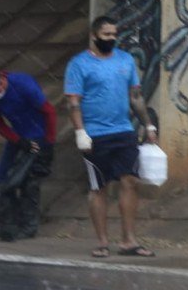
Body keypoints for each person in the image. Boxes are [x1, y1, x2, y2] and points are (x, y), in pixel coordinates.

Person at [64, 15, 159, 258]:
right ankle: (102, 242)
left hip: (124, 131)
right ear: (94, 35)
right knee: (99, 187)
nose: (112, 38)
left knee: (129, 182)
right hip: (95, 135)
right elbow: (73, 102)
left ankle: (129, 241)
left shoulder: (125, 61)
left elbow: (135, 96)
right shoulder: (79, 64)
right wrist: (80, 132)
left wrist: (148, 126)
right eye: (106, 34)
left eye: (114, 34)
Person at [0, 69, 57, 241]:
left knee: (29, 181)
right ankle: (8, 224)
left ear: (0, 85)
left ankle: (29, 226)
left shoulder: (22, 85)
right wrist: (17, 140)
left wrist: (49, 141)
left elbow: (49, 111)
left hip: (38, 134)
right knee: (3, 175)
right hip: (19, 136)